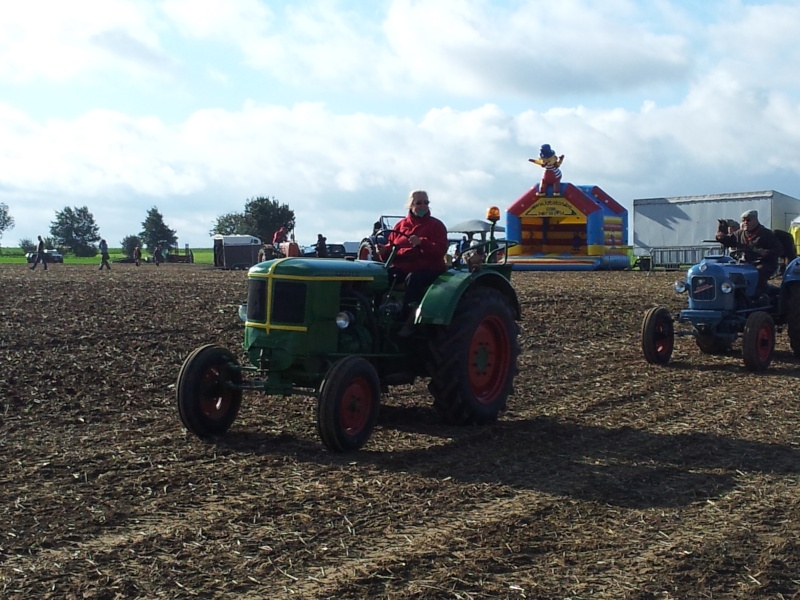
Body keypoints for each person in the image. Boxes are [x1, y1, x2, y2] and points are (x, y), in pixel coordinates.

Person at [379, 190, 448, 336]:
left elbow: (440, 251)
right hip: (402, 267)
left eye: (426, 203)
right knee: (381, 277)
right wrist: (382, 251)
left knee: (414, 279)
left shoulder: (436, 225)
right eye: (419, 203)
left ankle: (407, 320)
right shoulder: (400, 226)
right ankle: (378, 314)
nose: (423, 206)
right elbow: (391, 248)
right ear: (410, 206)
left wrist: (421, 243)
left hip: (430, 268)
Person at [715, 210, 782, 295]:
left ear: (755, 220)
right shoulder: (739, 233)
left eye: (748, 220)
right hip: (744, 263)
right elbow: (730, 241)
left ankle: (761, 296)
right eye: (743, 220)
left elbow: (779, 250)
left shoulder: (766, 233)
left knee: (758, 273)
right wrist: (721, 238)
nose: (745, 222)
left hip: (764, 263)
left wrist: (766, 253)